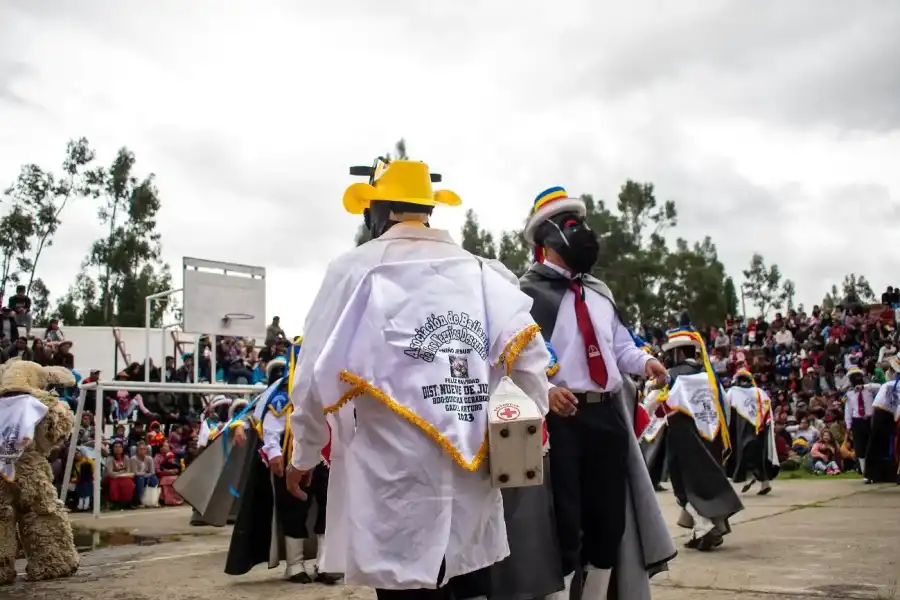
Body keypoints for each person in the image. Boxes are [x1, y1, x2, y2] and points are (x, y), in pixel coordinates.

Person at [285, 158, 554, 600]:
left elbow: (314, 375)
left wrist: (305, 453)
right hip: (471, 474)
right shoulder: (483, 272)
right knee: (470, 585)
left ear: (379, 211)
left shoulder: (354, 270)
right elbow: (530, 363)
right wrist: (524, 436)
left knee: (404, 588)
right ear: (427, 209)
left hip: (392, 482)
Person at [514, 186, 675, 600]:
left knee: (608, 519)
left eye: (582, 222)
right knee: (565, 520)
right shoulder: (524, 295)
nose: (583, 232)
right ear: (545, 237)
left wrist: (645, 362)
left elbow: (619, 345)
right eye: (571, 224)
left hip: (606, 416)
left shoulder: (600, 292)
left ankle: (597, 593)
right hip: (560, 420)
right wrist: (546, 390)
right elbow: (516, 357)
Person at [225, 354, 336, 584]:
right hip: (291, 460)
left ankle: (326, 561)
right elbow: (271, 427)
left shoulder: (327, 390)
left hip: (324, 459)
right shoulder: (281, 396)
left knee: (329, 507)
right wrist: (274, 454)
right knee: (295, 509)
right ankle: (295, 565)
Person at [645, 324, 744, 551]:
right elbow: (725, 406)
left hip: (683, 437)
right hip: (711, 436)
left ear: (677, 352)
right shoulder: (709, 376)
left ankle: (704, 525)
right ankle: (700, 530)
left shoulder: (671, 377)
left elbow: (651, 405)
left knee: (683, 486)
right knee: (706, 483)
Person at [725, 369, 779, 495]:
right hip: (759, 429)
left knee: (745, 454)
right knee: (757, 455)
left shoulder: (733, 392)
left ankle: (751, 479)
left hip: (744, 429)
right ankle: (761, 481)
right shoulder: (760, 392)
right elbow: (768, 412)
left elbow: (726, 410)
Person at [864, 356, 900, 483]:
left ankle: (874, 474)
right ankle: (884, 474)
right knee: (886, 445)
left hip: (884, 414)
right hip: (887, 414)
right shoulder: (889, 384)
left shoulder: (890, 384)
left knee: (880, 444)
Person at [843, 366, 881, 483]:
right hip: (857, 421)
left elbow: (880, 387)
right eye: (853, 377)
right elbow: (848, 410)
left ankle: (876, 473)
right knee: (860, 449)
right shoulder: (849, 393)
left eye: (858, 375)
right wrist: (848, 426)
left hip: (870, 420)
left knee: (873, 447)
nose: (856, 378)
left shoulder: (869, 388)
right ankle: (866, 474)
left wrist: (864, 386)